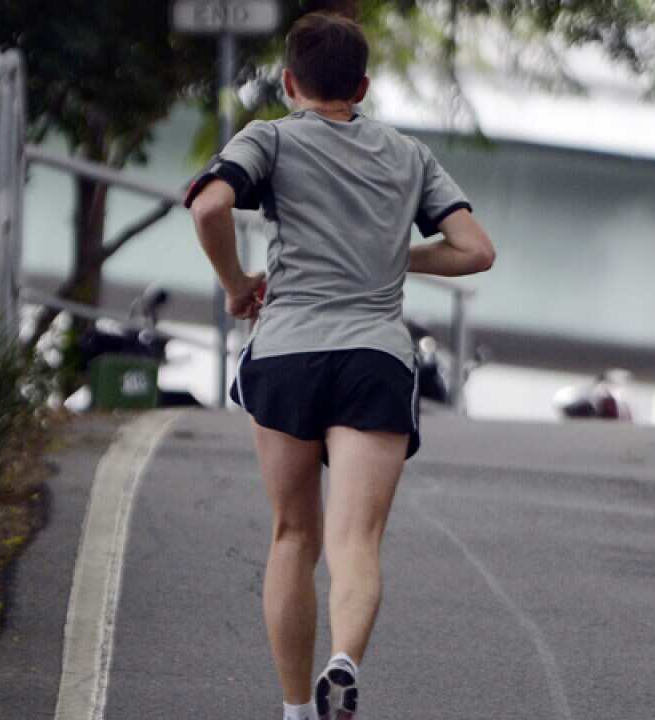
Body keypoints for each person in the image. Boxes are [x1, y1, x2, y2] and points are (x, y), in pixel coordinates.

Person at [185, 11, 495, 719]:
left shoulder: (268, 137)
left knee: (294, 535)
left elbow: (208, 208)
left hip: (287, 352)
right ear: (361, 87)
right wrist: (389, 256)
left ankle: (297, 710)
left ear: (288, 82)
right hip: (374, 360)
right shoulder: (409, 155)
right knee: (356, 542)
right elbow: (477, 250)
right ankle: (344, 659)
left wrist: (236, 284)